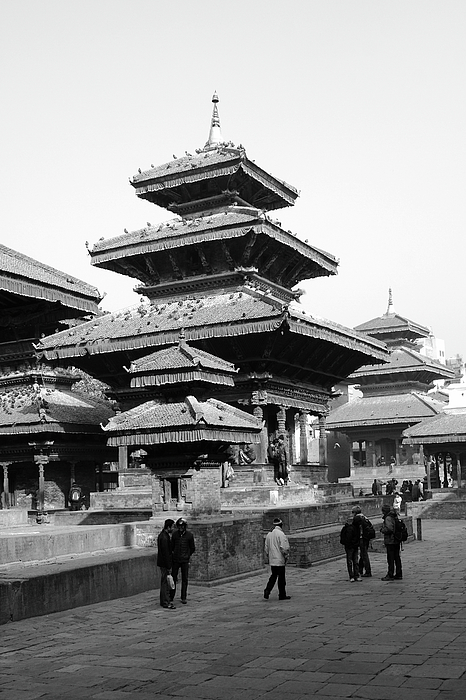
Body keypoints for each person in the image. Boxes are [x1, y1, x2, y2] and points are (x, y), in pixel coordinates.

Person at [263, 517, 291, 600]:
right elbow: (284, 548)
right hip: (279, 559)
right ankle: (282, 594)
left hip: (272, 560)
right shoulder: (281, 534)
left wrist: (269, 556)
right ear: (281, 525)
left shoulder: (269, 534)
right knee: (281, 578)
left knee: (273, 576)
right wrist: (286, 556)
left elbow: (266, 548)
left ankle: (267, 590)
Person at [170, 517, 195, 605]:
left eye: (182, 526)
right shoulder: (175, 535)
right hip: (176, 559)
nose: (180, 528)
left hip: (184, 560)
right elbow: (172, 546)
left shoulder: (189, 535)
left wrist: (187, 555)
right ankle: (171, 596)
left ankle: (183, 596)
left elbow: (192, 548)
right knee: (173, 578)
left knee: (184, 579)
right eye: (179, 526)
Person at [380, 504, 402, 581]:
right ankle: (399, 573)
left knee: (391, 558)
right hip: (396, 539)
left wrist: (382, 530)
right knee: (397, 557)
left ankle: (390, 574)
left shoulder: (388, 518)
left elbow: (389, 529)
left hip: (391, 540)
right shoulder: (394, 516)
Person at [157, 519, 176, 610]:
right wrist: (169, 566)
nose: (173, 529)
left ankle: (164, 600)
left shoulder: (163, 536)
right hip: (165, 564)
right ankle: (165, 601)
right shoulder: (164, 538)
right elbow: (166, 553)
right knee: (165, 583)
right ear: (168, 527)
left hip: (162, 563)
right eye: (172, 527)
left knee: (164, 582)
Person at [351, 505, 372, 578]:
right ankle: (360, 569)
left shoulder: (357, 518)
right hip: (366, 538)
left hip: (361, 538)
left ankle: (368, 571)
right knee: (363, 554)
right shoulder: (365, 517)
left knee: (364, 555)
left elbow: (353, 529)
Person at [340, 514, 361, 582]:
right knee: (353, 561)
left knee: (353, 561)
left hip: (352, 546)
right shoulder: (352, 528)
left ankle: (354, 575)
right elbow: (349, 538)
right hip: (351, 546)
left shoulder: (354, 528)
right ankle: (354, 575)